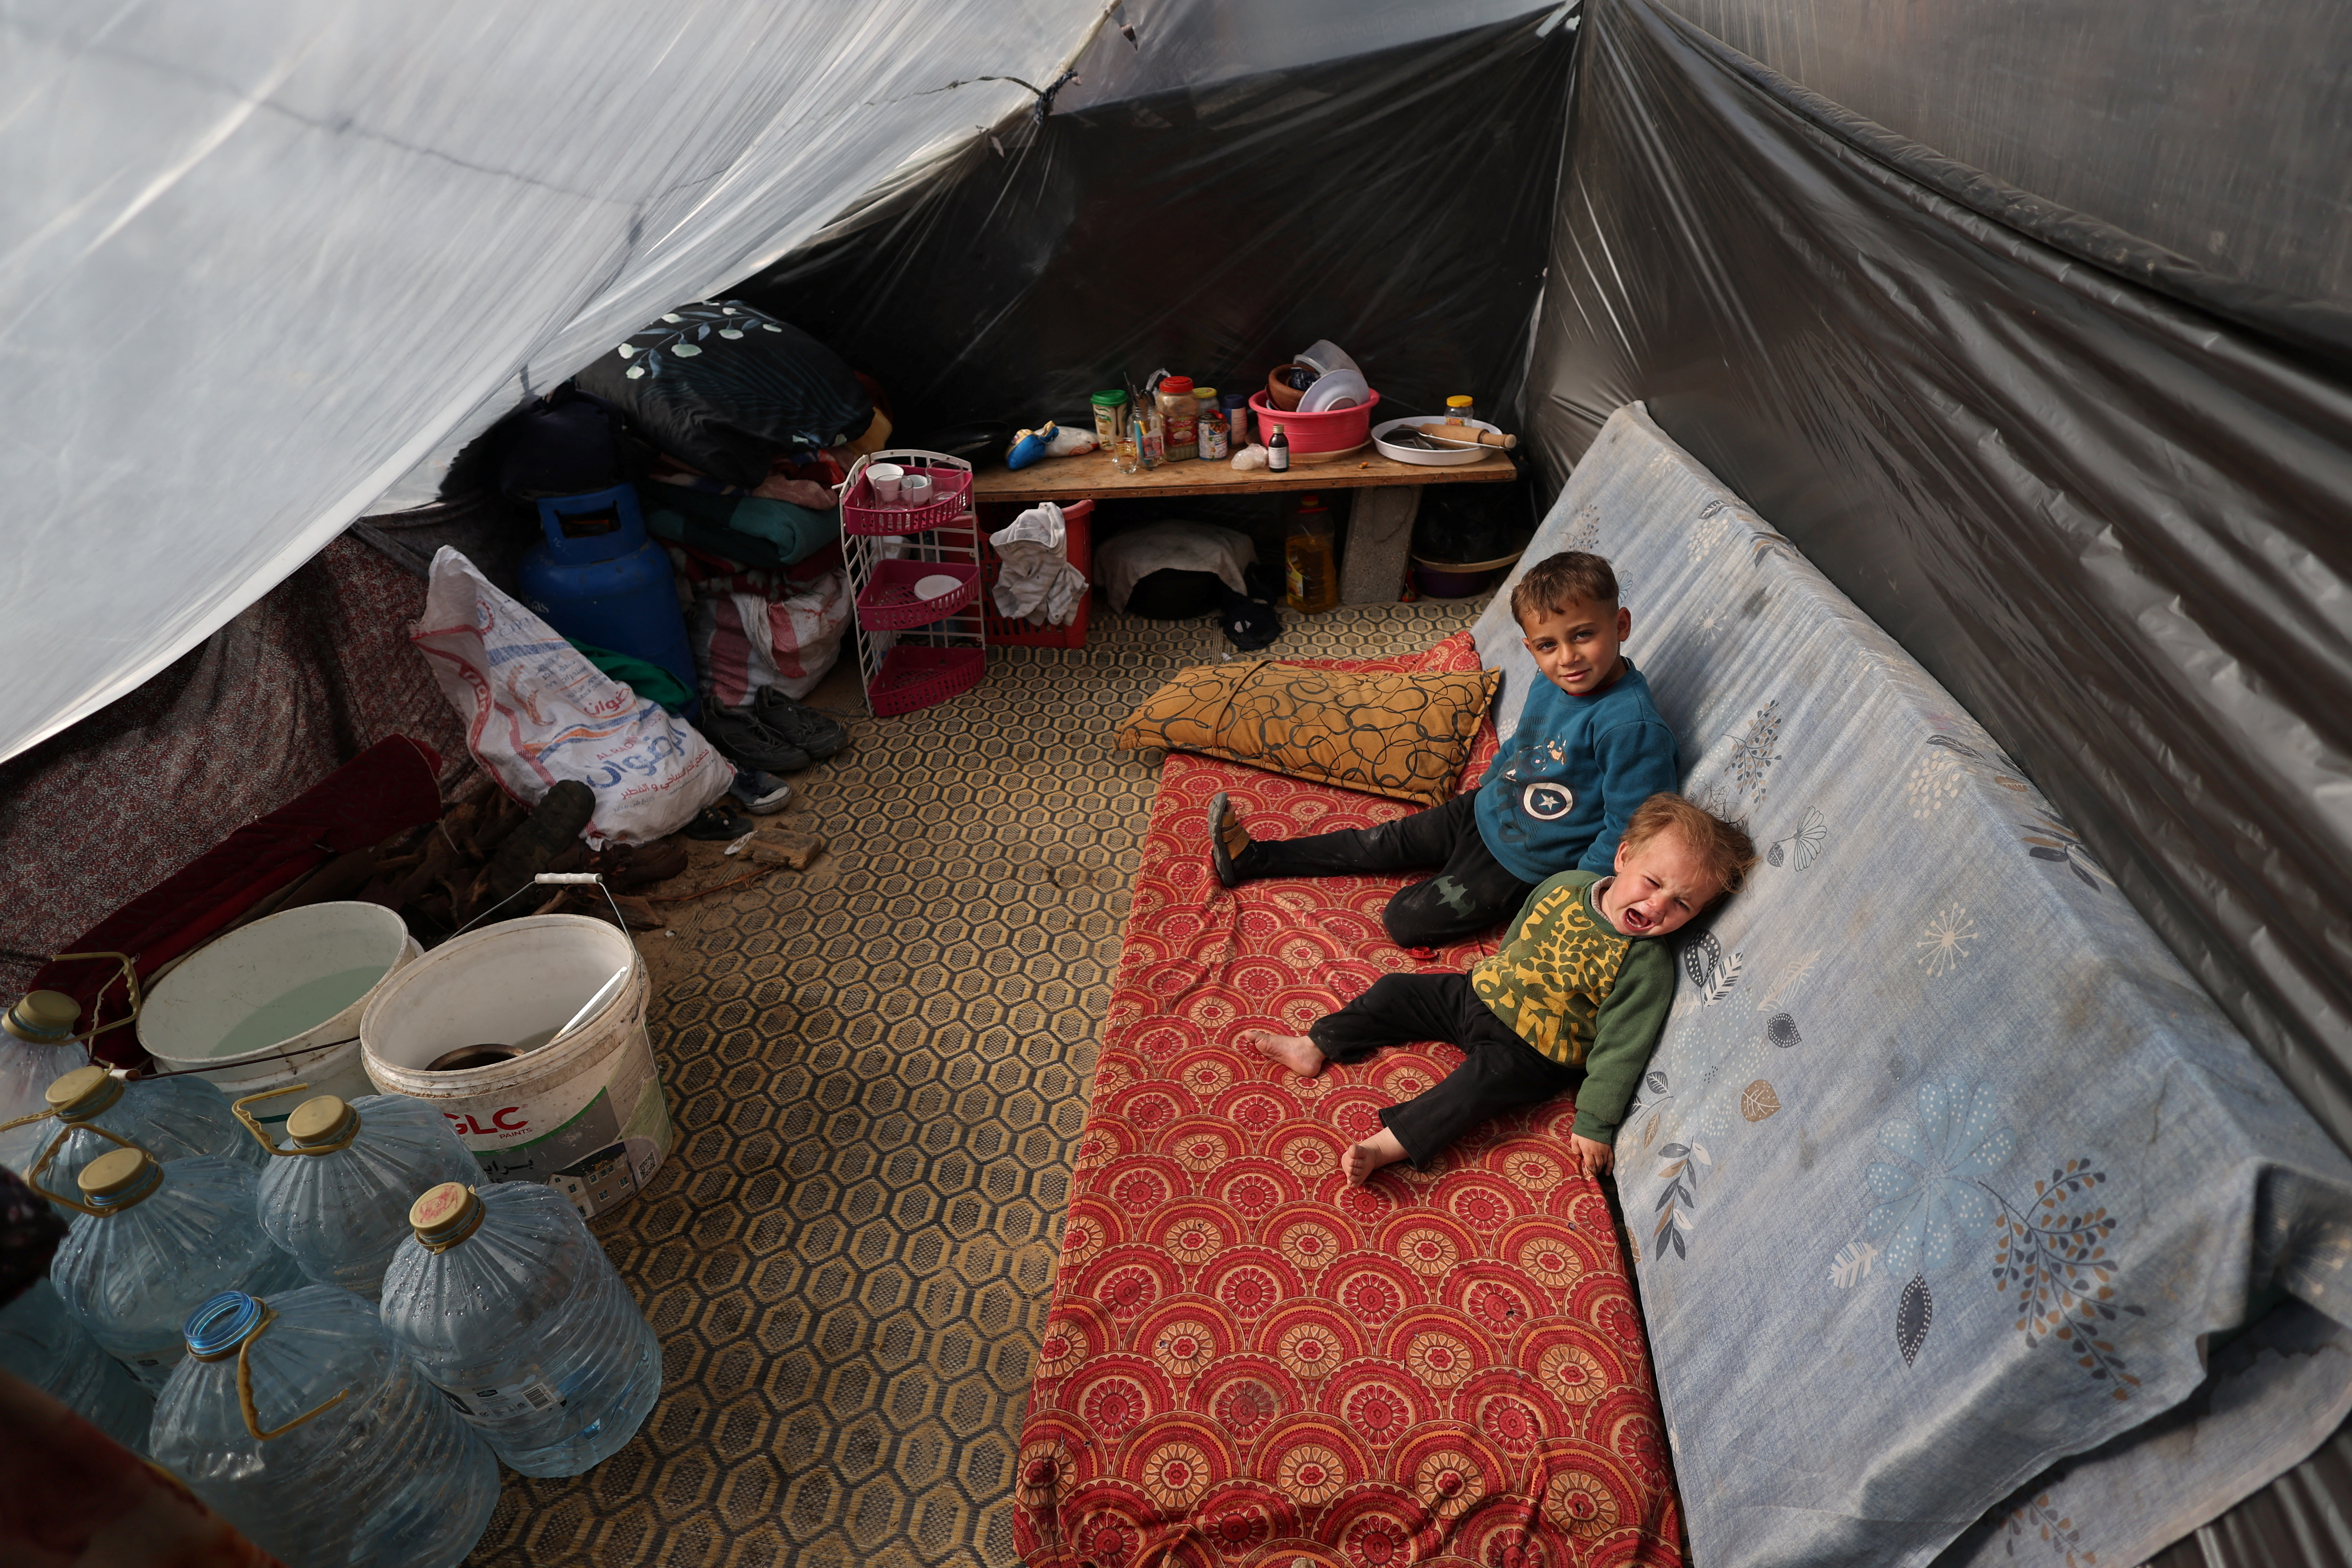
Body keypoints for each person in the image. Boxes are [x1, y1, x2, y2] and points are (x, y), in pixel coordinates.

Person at [1241, 794, 1756, 1185]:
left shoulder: (1646, 965)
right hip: (1481, 993)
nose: (1660, 904)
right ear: (1623, 859)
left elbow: (1623, 1048)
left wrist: (1596, 1123)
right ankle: (1314, 1045)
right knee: (1396, 989)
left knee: (1473, 1090)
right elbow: (1522, 935)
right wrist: (1493, 976)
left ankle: (1383, 1147)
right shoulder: (1565, 886)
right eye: (1652, 881)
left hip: (1532, 1051)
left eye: (1682, 905)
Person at [1209, 551, 1678, 948]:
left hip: (1525, 862)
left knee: (1405, 920)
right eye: (1547, 645)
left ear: (1620, 624)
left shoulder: (1630, 726)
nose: (1568, 658)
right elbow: (1521, 743)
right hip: (1485, 810)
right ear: (1530, 649)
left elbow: (1631, 831)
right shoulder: (1548, 679)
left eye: (1583, 635)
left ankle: (1457, 878)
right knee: (1382, 841)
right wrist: (1485, 788)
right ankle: (1256, 858)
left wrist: (1570, 898)